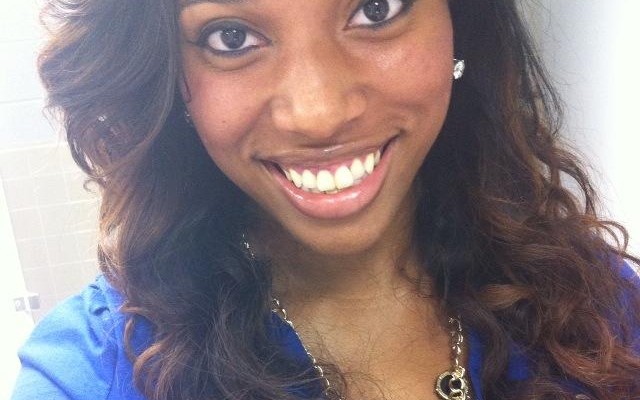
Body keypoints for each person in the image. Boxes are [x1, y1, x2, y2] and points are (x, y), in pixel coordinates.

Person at [11, 0, 640, 399]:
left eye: (375, 8)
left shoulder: (598, 304)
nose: (317, 113)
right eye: (231, 37)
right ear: (169, 77)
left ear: (461, 25)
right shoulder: (97, 369)